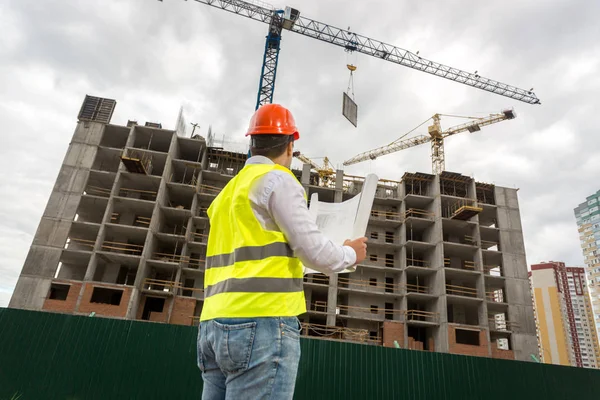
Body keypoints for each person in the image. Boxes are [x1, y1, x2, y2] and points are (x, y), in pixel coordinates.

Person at [197, 104, 368, 400]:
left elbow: (250, 259)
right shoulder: (277, 180)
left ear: (252, 144)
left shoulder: (227, 193)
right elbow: (313, 251)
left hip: (212, 326)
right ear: (290, 147)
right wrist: (350, 253)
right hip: (261, 324)